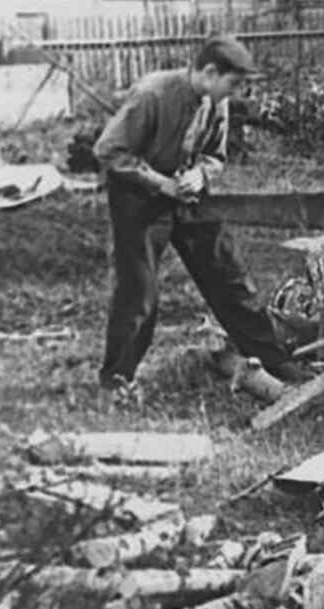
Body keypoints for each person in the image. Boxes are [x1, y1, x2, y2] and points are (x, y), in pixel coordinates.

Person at [95, 34, 308, 400]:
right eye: (234, 83)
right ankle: (117, 378)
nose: (237, 92)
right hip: (138, 196)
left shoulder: (216, 101)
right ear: (209, 72)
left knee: (229, 275)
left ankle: (275, 362)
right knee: (139, 291)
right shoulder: (153, 94)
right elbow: (108, 151)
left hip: (188, 192)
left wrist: (202, 174)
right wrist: (160, 184)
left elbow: (214, 155)